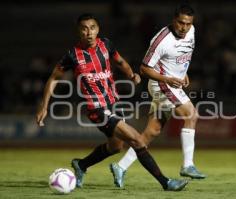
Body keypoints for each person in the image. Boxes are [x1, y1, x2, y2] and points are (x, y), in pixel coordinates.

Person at [36, 13, 188, 191]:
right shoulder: (73, 55)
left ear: (98, 29)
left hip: (114, 104)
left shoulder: (106, 45)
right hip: (96, 109)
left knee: (116, 147)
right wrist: (44, 106)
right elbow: (54, 78)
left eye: (92, 28)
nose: (89, 32)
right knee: (138, 140)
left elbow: (120, 61)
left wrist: (131, 74)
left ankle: (81, 165)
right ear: (79, 31)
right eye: (84, 29)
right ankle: (166, 182)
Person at [110, 4, 206, 188]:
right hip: (160, 83)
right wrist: (168, 78)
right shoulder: (161, 40)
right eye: (180, 23)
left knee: (152, 132)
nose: (184, 27)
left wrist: (182, 73)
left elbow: (182, 56)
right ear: (173, 20)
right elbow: (144, 68)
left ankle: (120, 166)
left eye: (188, 23)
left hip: (172, 82)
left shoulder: (191, 31)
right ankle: (188, 165)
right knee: (191, 114)